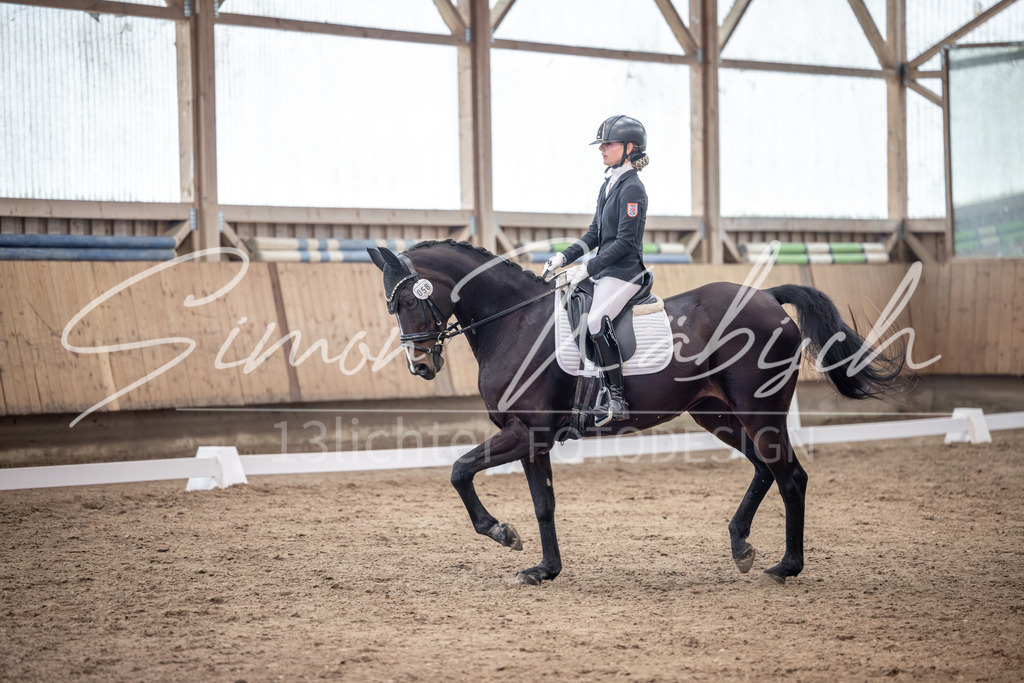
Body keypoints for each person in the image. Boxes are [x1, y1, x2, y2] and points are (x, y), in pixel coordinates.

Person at [542, 115, 650, 426]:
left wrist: (587, 268)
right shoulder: (609, 185)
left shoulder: (633, 189)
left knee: (595, 320)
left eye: (608, 144)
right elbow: (594, 234)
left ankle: (616, 398)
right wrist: (564, 257)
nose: (601, 148)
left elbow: (626, 243)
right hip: (605, 272)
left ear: (629, 148)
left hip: (625, 273)